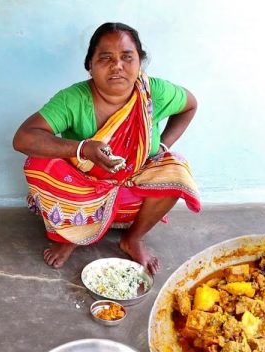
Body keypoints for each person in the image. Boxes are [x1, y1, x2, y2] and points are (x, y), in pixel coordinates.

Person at [13, 22, 200, 273]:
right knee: (38, 164)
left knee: (176, 169)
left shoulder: (153, 92)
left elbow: (190, 105)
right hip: (83, 189)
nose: (117, 66)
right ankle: (71, 236)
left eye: (127, 57)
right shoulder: (73, 99)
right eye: (105, 58)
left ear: (139, 62)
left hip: (134, 186)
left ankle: (132, 238)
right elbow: (23, 138)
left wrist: (163, 146)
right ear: (90, 65)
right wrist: (83, 149)